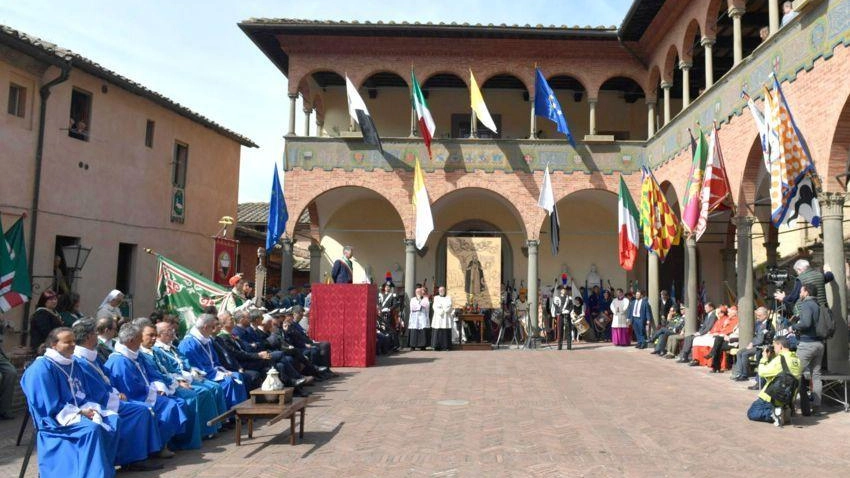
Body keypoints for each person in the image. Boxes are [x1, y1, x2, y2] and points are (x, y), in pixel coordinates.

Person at [20, 327, 121, 478]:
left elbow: (84, 393)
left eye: (74, 341)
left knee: (114, 418)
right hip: (57, 420)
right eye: (68, 342)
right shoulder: (41, 369)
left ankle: (103, 469)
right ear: (54, 345)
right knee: (91, 429)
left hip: (79, 409)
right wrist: (80, 412)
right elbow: (48, 406)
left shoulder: (73, 363)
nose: (73, 344)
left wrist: (90, 408)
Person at [71, 320, 164, 471]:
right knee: (141, 411)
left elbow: (106, 378)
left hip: (109, 398)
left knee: (143, 410)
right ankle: (135, 458)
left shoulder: (91, 357)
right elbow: (93, 390)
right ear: (88, 337)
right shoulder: (80, 361)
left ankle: (138, 456)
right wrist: (113, 396)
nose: (97, 336)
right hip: (99, 403)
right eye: (95, 333)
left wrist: (115, 392)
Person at [103, 324, 187, 457]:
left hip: (148, 392)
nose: (141, 341)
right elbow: (131, 389)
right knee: (169, 405)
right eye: (139, 338)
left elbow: (152, 373)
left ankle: (164, 443)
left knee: (177, 402)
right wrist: (153, 393)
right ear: (131, 341)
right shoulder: (119, 361)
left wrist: (159, 387)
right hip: (136, 397)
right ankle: (157, 447)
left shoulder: (137, 355)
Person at [179, 314, 248, 408]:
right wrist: (220, 374)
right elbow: (194, 366)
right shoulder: (188, 344)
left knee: (237, 376)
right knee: (228, 381)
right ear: (205, 327)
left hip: (213, 372)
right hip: (202, 376)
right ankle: (229, 415)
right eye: (213, 326)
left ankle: (241, 411)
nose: (215, 329)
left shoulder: (207, 340)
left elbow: (214, 361)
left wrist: (223, 371)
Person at [746, 337, 802, 426]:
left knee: (752, 412)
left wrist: (764, 358)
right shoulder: (797, 359)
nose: (774, 349)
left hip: (772, 396)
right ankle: (783, 411)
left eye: (775, 346)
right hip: (787, 397)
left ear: (780, 346)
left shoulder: (779, 359)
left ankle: (775, 415)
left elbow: (762, 372)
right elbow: (781, 374)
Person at [792, 283, 825, 415]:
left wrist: (794, 326)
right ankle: (817, 408)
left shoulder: (806, 304)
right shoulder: (818, 305)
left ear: (806, 292)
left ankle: (791, 405)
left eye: (801, 291)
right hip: (819, 344)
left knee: (795, 373)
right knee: (816, 376)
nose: (799, 294)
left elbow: (806, 323)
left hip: (807, 345)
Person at [731, 306, 772, 381]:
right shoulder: (758, 323)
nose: (757, 317)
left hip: (762, 346)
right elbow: (756, 336)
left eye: (759, 315)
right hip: (756, 345)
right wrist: (751, 342)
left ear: (765, 315)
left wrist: (752, 344)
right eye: (757, 315)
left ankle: (745, 375)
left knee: (744, 354)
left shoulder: (767, 324)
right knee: (740, 352)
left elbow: (761, 340)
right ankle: (739, 373)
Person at [378, 282, 400, 351]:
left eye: (389, 287)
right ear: (384, 288)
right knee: (382, 329)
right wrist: (380, 309)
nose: (387, 288)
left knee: (391, 329)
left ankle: (395, 345)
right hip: (381, 314)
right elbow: (378, 303)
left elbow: (396, 304)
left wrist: (389, 309)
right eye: (386, 287)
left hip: (389, 314)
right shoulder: (380, 295)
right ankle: (385, 346)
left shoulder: (392, 295)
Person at [407, 284, 430, 350]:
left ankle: (422, 346)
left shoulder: (425, 298)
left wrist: (419, 303)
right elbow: (413, 307)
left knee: (422, 330)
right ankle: (413, 345)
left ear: (421, 292)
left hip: (422, 316)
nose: (418, 293)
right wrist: (420, 305)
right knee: (414, 330)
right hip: (415, 318)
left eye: (419, 292)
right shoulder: (412, 299)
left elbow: (426, 305)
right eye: (417, 292)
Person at [431, 286, 453, 351]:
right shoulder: (436, 298)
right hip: (438, 316)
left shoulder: (448, 297)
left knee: (445, 331)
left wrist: (445, 310)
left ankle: (446, 346)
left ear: (445, 290)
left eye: (442, 290)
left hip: (446, 317)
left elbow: (450, 305)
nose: (441, 291)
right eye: (440, 290)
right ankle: (436, 346)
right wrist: (441, 311)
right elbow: (435, 306)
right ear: (438, 291)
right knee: (438, 331)